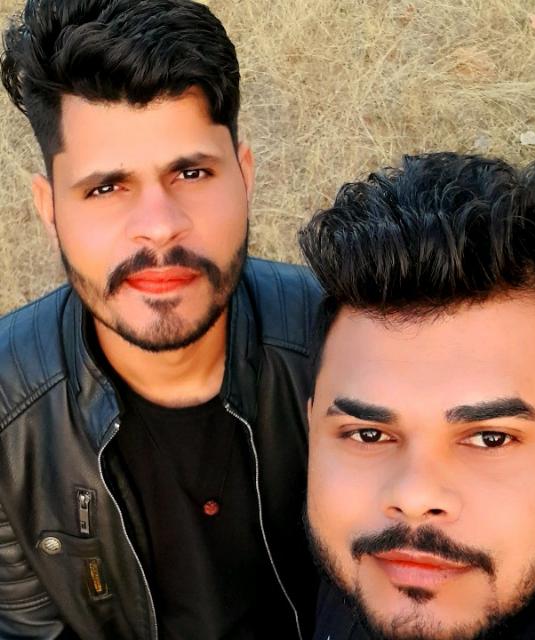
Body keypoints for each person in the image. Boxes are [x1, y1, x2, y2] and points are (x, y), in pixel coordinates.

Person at [0, 1, 320, 638]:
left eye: (192, 172)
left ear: (244, 176)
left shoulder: (345, 348)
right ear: (50, 208)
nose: (159, 226)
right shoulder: (8, 417)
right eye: (105, 188)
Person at [299, 152, 535, 640]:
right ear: (314, 433)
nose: (413, 498)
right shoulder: (362, 553)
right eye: (368, 434)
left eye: (490, 439)